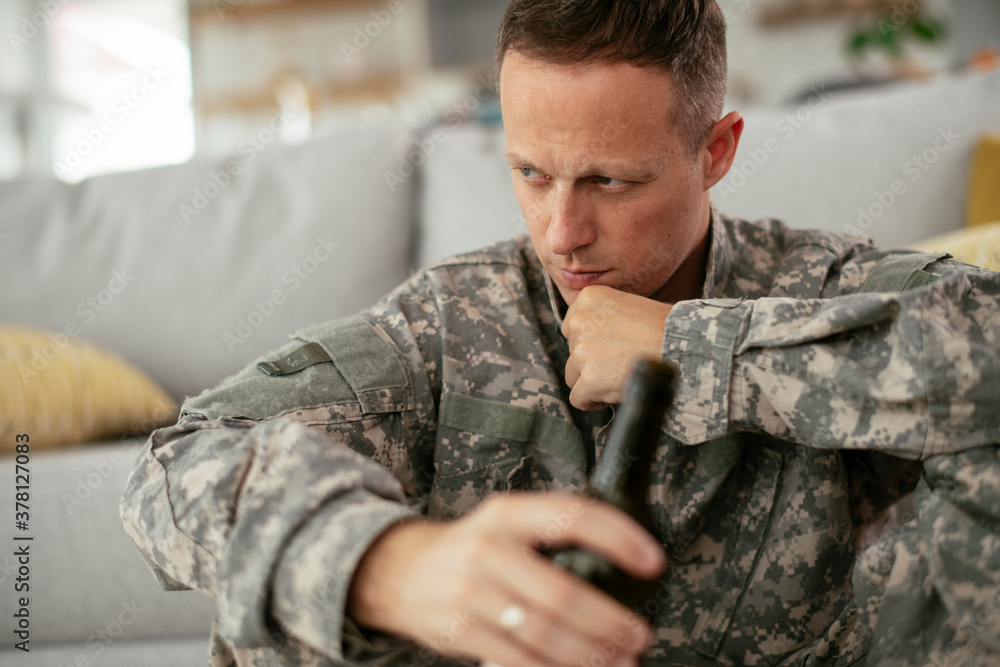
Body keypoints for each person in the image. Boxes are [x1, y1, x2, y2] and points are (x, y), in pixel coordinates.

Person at [121, 1, 1000, 666]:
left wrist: (698, 348)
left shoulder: (815, 285)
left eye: (610, 182)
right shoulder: (453, 320)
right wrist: (385, 562)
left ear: (717, 149)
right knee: (290, 597)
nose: (561, 232)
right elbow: (175, 463)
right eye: (531, 173)